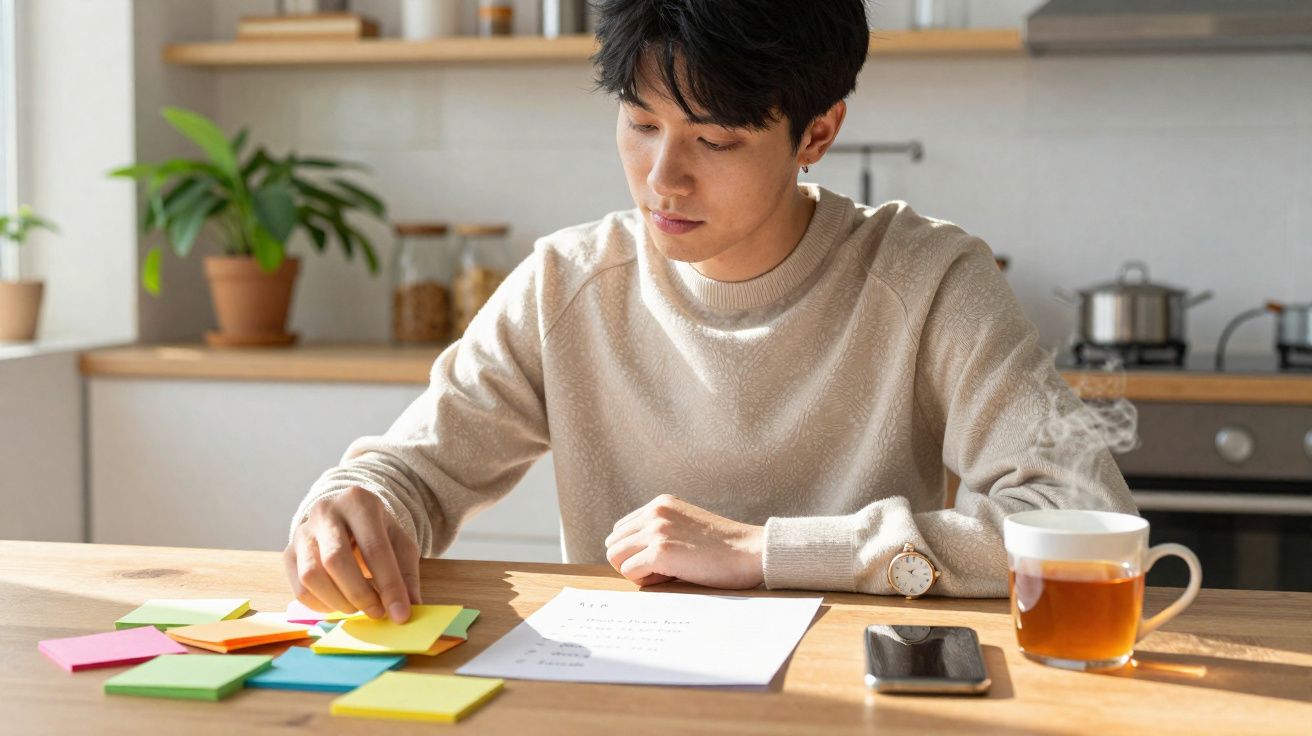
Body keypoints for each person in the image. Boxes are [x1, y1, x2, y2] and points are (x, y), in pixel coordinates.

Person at [285, 0, 1134, 623]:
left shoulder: (928, 278)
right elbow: (409, 473)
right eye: (640, 124)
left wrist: (764, 552)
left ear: (817, 134)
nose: (664, 179)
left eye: (715, 140)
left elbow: (1078, 515)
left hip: (858, 692)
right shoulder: (567, 283)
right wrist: (353, 504)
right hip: (629, 689)